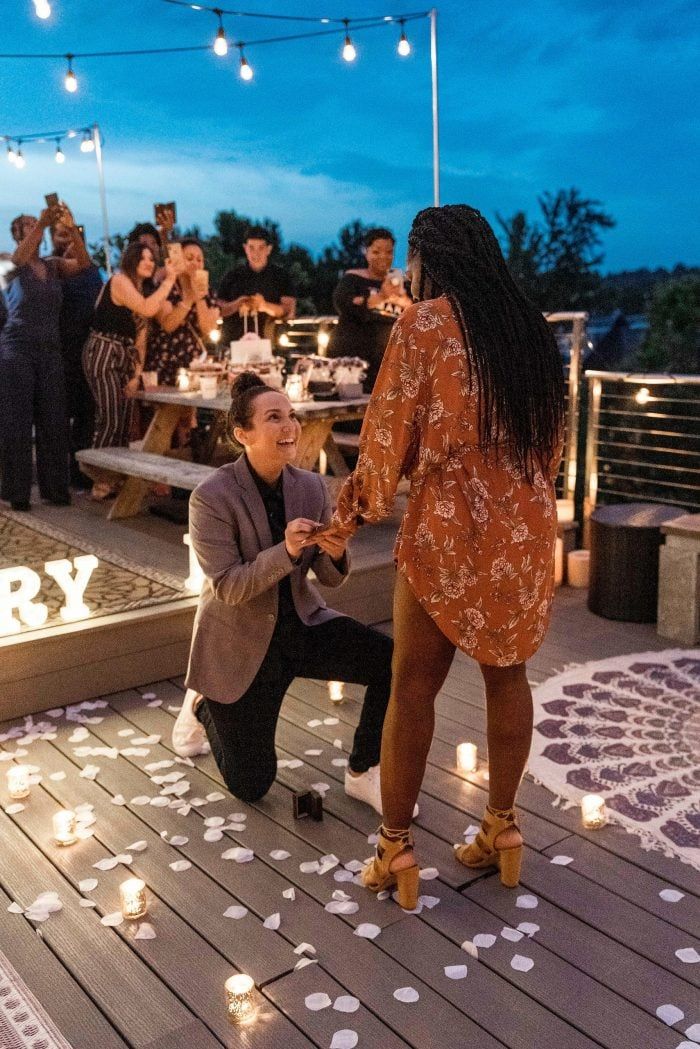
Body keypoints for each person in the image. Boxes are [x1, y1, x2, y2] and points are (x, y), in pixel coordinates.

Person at [326, 205, 565, 909]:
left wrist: (347, 515)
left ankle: (395, 847)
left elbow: (384, 442)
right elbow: (552, 444)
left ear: (432, 258)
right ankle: (503, 827)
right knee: (508, 677)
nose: (406, 272)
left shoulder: (424, 325)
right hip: (523, 530)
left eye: (411, 258)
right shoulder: (529, 331)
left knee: (412, 687)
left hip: (450, 533)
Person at [172, 372, 397, 814]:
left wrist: (334, 552)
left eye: (291, 416)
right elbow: (230, 587)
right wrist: (287, 548)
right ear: (243, 434)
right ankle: (202, 704)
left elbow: (329, 580)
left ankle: (363, 769)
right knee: (252, 785)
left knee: (393, 661)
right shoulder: (210, 498)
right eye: (274, 418)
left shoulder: (311, 486)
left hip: (301, 624)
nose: (290, 426)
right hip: (239, 643)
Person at [0, 205, 92, 511]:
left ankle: (55, 489)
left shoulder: (53, 265)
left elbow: (85, 262)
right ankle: (17, 492)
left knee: (54, 420)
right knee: (18, 422)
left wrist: (73, 225)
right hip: (17, 350)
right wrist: (42, 221)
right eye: (27, 225)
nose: (34, 226)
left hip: (51, 350)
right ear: (17, 234)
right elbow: (18, 258)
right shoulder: (8, 262)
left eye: (35, 223)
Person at [81, 242, 181, 500]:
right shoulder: (119, 281)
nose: (149, 262)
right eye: (143, 258)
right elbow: (147, 308)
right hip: (104, 350)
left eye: (152, 259)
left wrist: (136, 375)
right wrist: (169, 280)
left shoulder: (142, 290)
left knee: (125, 420)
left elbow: (141, 339)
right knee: (111, 415)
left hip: (126, 355)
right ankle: (98, 474)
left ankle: (113, 477)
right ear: (131, 260)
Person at [327, 227, 411, 392]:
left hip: (388, 362)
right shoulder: (353, 279)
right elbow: (343, 304)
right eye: (376, 252)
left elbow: (417, 313)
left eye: (389, 252)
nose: (383, 257)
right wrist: (380, 296)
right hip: (354, 360)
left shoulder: (403, 285)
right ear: (366, 252)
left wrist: (403, 300)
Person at [52, 221, 103, 490]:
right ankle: (58, 472)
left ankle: (80, 471)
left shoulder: (92, 273)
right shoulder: (54, 270)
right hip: (61, 351)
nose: (72, 246)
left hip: (88, 351)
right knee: (60, 416)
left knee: (86, 415)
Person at [146, 238, 219, 386]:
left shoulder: (208, 292)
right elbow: (168, 325)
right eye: (189, 258)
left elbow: (208, 329)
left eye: (200, 259)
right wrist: (187, 300)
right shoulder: (166, 287)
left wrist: (198, 298)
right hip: (166, 362)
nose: (195, 263)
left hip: (194, 364)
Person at [217, 227, 296, 346]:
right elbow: (217, 308)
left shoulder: (281, 277)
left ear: (269, 249)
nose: (256, 253)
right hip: (233, 345)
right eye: (251, 248)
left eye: (261, 248)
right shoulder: (232, 276)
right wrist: (237, 304)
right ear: (245, 248)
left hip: (271, 346)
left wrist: (264, 306)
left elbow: (288, 310)